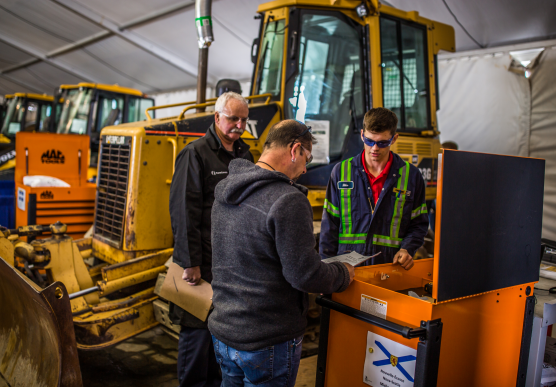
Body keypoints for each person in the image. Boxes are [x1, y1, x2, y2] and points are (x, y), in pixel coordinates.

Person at [208, 119, 354, 387]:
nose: (304, 169)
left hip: (225, 331)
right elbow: (305, 275)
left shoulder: (227, 190)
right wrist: (343, 274)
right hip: (268, 340)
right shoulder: (287, 199)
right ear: (295, 149)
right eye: (306, 159)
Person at [169, 91, 253, 387]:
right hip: (202, 265)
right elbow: (183, 211)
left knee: (222, 341)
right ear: (217, 118)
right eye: (233, 118)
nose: (239, 125)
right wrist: (189, 262)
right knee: (197, 335)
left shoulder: (245, 155)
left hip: (232, 267)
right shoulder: (196, 153)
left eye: (244, 119)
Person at [319, 107, 428, 269]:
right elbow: (329, 225)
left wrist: (407, 248)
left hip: (389, 269)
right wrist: (326, 269)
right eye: (369, 141)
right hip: (347, 271)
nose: (375, 148)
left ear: (394, 138)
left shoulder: (411, 176)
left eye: (382, 143)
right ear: (362, 135)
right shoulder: (341, 172)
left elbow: (418, 224)